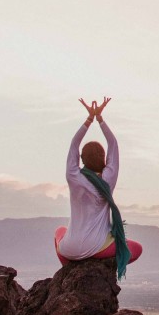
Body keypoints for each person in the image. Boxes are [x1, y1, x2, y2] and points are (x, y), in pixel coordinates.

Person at [54, 96, 142, 277]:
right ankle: (98, 266)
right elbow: (113, 144)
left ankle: (69, 269)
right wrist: (100, 119)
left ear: (82, 160)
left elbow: (73, 144)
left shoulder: (74, 177)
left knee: (59, 231)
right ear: (104, 159)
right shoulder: (108, 180)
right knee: (135, 248)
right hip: (97, 248)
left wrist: (88, 120)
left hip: (70, 249)